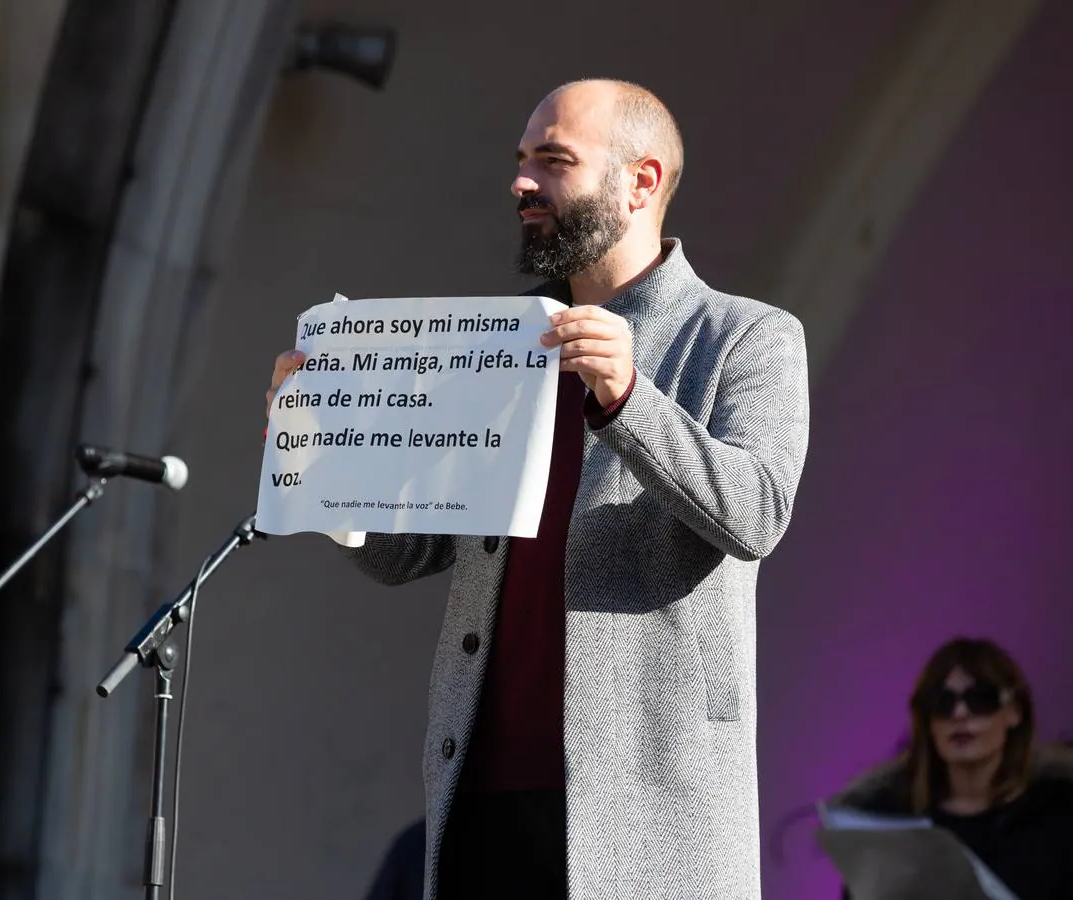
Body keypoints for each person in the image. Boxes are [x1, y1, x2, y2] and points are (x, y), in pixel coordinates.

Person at [266, 78, 811, 899]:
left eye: (553, 161)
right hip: (484, 795)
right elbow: (409, 551)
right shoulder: (502, 339)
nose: (522, 183)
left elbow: (757, 512)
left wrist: (630, 398)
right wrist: (323, 458)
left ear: (643, 181)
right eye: (521, 161)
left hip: (645, 808)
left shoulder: (744, 336)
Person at [827, 637, 1073, 899]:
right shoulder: (888, 826)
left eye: (981, 699)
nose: (960, 714)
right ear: (927, 722)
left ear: (1014, 712)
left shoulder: (1058, 825)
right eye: (943, 702)